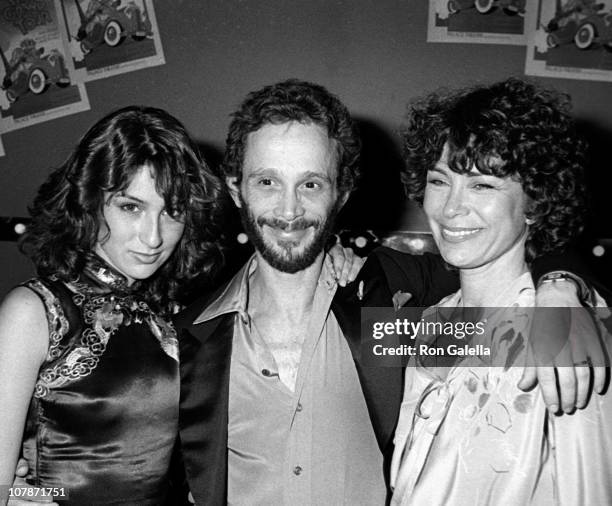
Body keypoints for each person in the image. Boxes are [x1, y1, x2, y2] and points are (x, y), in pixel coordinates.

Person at [174, 78, 605, 506]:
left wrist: (561, 285)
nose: (289, 210)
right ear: (235, 189)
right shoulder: (190, 334)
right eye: (267, 182)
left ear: (341, 193)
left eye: (311, 184)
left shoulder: (390, 299)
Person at [390, 78, 612, 505]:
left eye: (482, 185)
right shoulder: (432, 321)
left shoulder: (563, 325)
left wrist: (566, 285)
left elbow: (591, 490)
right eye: (439, 181)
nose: (451, 208)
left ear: (534, 203)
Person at [0, 106, 225, 505]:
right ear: (89, 202)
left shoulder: (177, 317)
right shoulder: (33, 311)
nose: (153, 237)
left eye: (171, 213)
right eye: (131, 207)